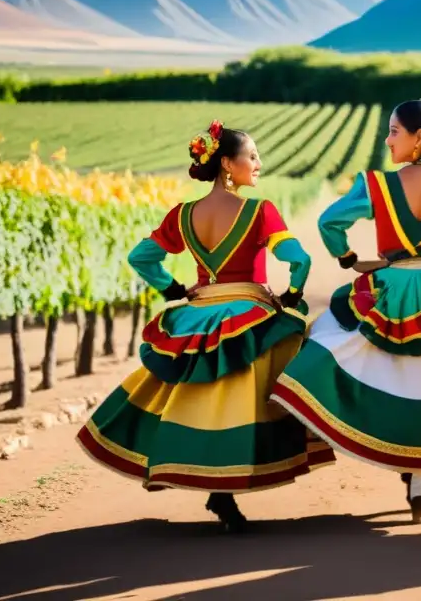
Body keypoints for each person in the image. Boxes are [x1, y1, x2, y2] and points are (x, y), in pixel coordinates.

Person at [78, 120, 334, 534]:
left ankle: (215, 486)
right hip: (249, 312)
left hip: (198, 313)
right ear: (228, 165)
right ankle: (229, 483)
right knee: (268, 387)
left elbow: (141, 258)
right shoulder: (259, 211)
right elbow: (299, 259)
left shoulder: (182, 215)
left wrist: (173, 288)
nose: (259, 163)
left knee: (199, 398)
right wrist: (290, 295)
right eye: (252, 156)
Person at [270, 96, 421, 523]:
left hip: (390, 283)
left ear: (420, 138)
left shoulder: (376, 185)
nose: (387, 140)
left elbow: (331, 222)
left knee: (349, 353)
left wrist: (348, 259)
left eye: (394, 131)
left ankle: (388, 453)